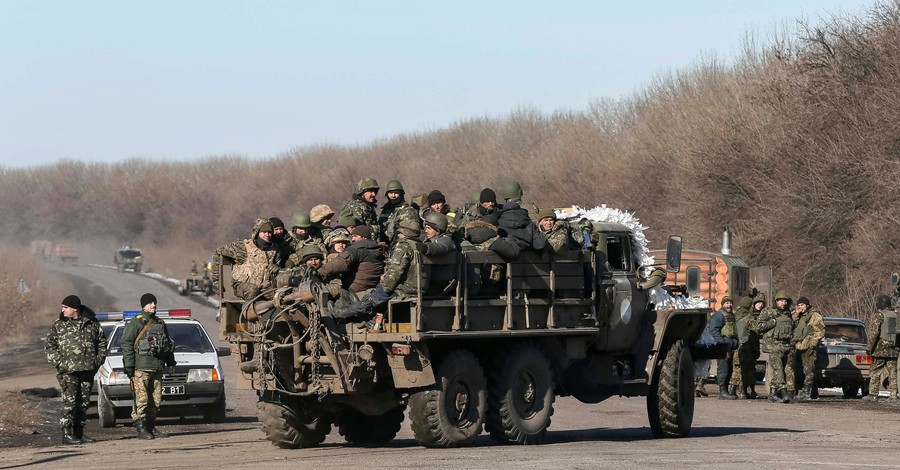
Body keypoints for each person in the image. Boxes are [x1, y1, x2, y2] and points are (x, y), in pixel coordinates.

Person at [44, 295, 107, 445]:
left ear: (75, 309)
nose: (63, 310)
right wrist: (60, 363)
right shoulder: (59, 325)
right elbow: (49, 346)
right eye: (62, 307)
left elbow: (102, 343)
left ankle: (79, 432)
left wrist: (97, 361)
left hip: (87, 369)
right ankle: (66, 434)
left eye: (65, 307)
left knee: (84, 403)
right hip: (68, 371)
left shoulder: (91, 324)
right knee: (70, 403)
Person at [121, 293, 176, 439]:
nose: (153, 305)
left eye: (154, 302)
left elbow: (168, 345)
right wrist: (129, 366)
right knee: (142, 399)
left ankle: (151, 427)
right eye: (150, 303)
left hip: (157, 367)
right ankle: (141, 428)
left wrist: (171, 362)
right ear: (143, 305)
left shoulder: (160, 323)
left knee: (156, 400)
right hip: (141, 368)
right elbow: (126, 345)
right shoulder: (135, 323)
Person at [211, 218, 280, 300]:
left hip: (264, 288)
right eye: (264, 232)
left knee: (280, 296)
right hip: (241, 286)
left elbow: (277, 267)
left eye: (269, 232)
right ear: (257, 233)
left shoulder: (273, 250)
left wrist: (276, 267)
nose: (267, 235)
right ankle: (247, 312)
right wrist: (216, 280)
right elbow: (218, 252)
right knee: (252, 290)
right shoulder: (242, 247)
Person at [318, 225, 385, 293]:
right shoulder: (377, 249)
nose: (352, 239)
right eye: (352, 236)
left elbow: (340, 263)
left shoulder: (357, 248)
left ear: (363, 237)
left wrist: (320, 272)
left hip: (354, 289)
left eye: (355, 236)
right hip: (371, 287)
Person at [757, 290, 795, 403]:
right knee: (778, 369)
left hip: (785, 346)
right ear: (776, 302)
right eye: (781, 301)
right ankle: (783, 392)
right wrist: (772, 322)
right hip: (773, 346)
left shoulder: (787, 314)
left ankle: (773, 394)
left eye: (785, 301)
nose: (783, 303)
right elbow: (758, 326)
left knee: (783, 370)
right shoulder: (768, 312)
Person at [865, 294, 899, 402]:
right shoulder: (896, 315)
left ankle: (873, 394)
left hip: (880, 348)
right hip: (894, 347)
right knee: (892, 371)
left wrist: (869, 347)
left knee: (875, 370)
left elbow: (874, 333)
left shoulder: (879, 315)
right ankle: (893, 395)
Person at [792, 296, 825, 401]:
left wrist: (812, 344)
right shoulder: (797, 315)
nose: (800, 307)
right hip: (798, 346)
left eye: (802, 305)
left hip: (808, 346)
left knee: (809, 369)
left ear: (807, 305)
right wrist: (796, 313)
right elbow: (790, 324)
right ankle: (814, 393)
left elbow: (820, 331)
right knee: (801, 370)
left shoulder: (815, 316)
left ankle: (807, 392)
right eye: (799, 305)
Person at [735, 293, 765, 399]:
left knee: (739, 369)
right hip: (747, 345)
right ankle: (744, 390)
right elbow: (755, 330)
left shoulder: (736, 315)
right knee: (747, 369)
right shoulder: (748, 317)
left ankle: (738, 390)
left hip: (739, 345)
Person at [708, 296, 739, 399]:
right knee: (723, 368)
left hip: (731, 345)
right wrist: (722, 344)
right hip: (723, 346)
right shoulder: (718, 316)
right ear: (723, 304)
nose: (729, 305)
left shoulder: (731, 315)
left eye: (730, 303)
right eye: (727, 303)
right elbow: (714, 331)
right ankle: (722, 391)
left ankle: (725, 390)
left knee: (729, 368)